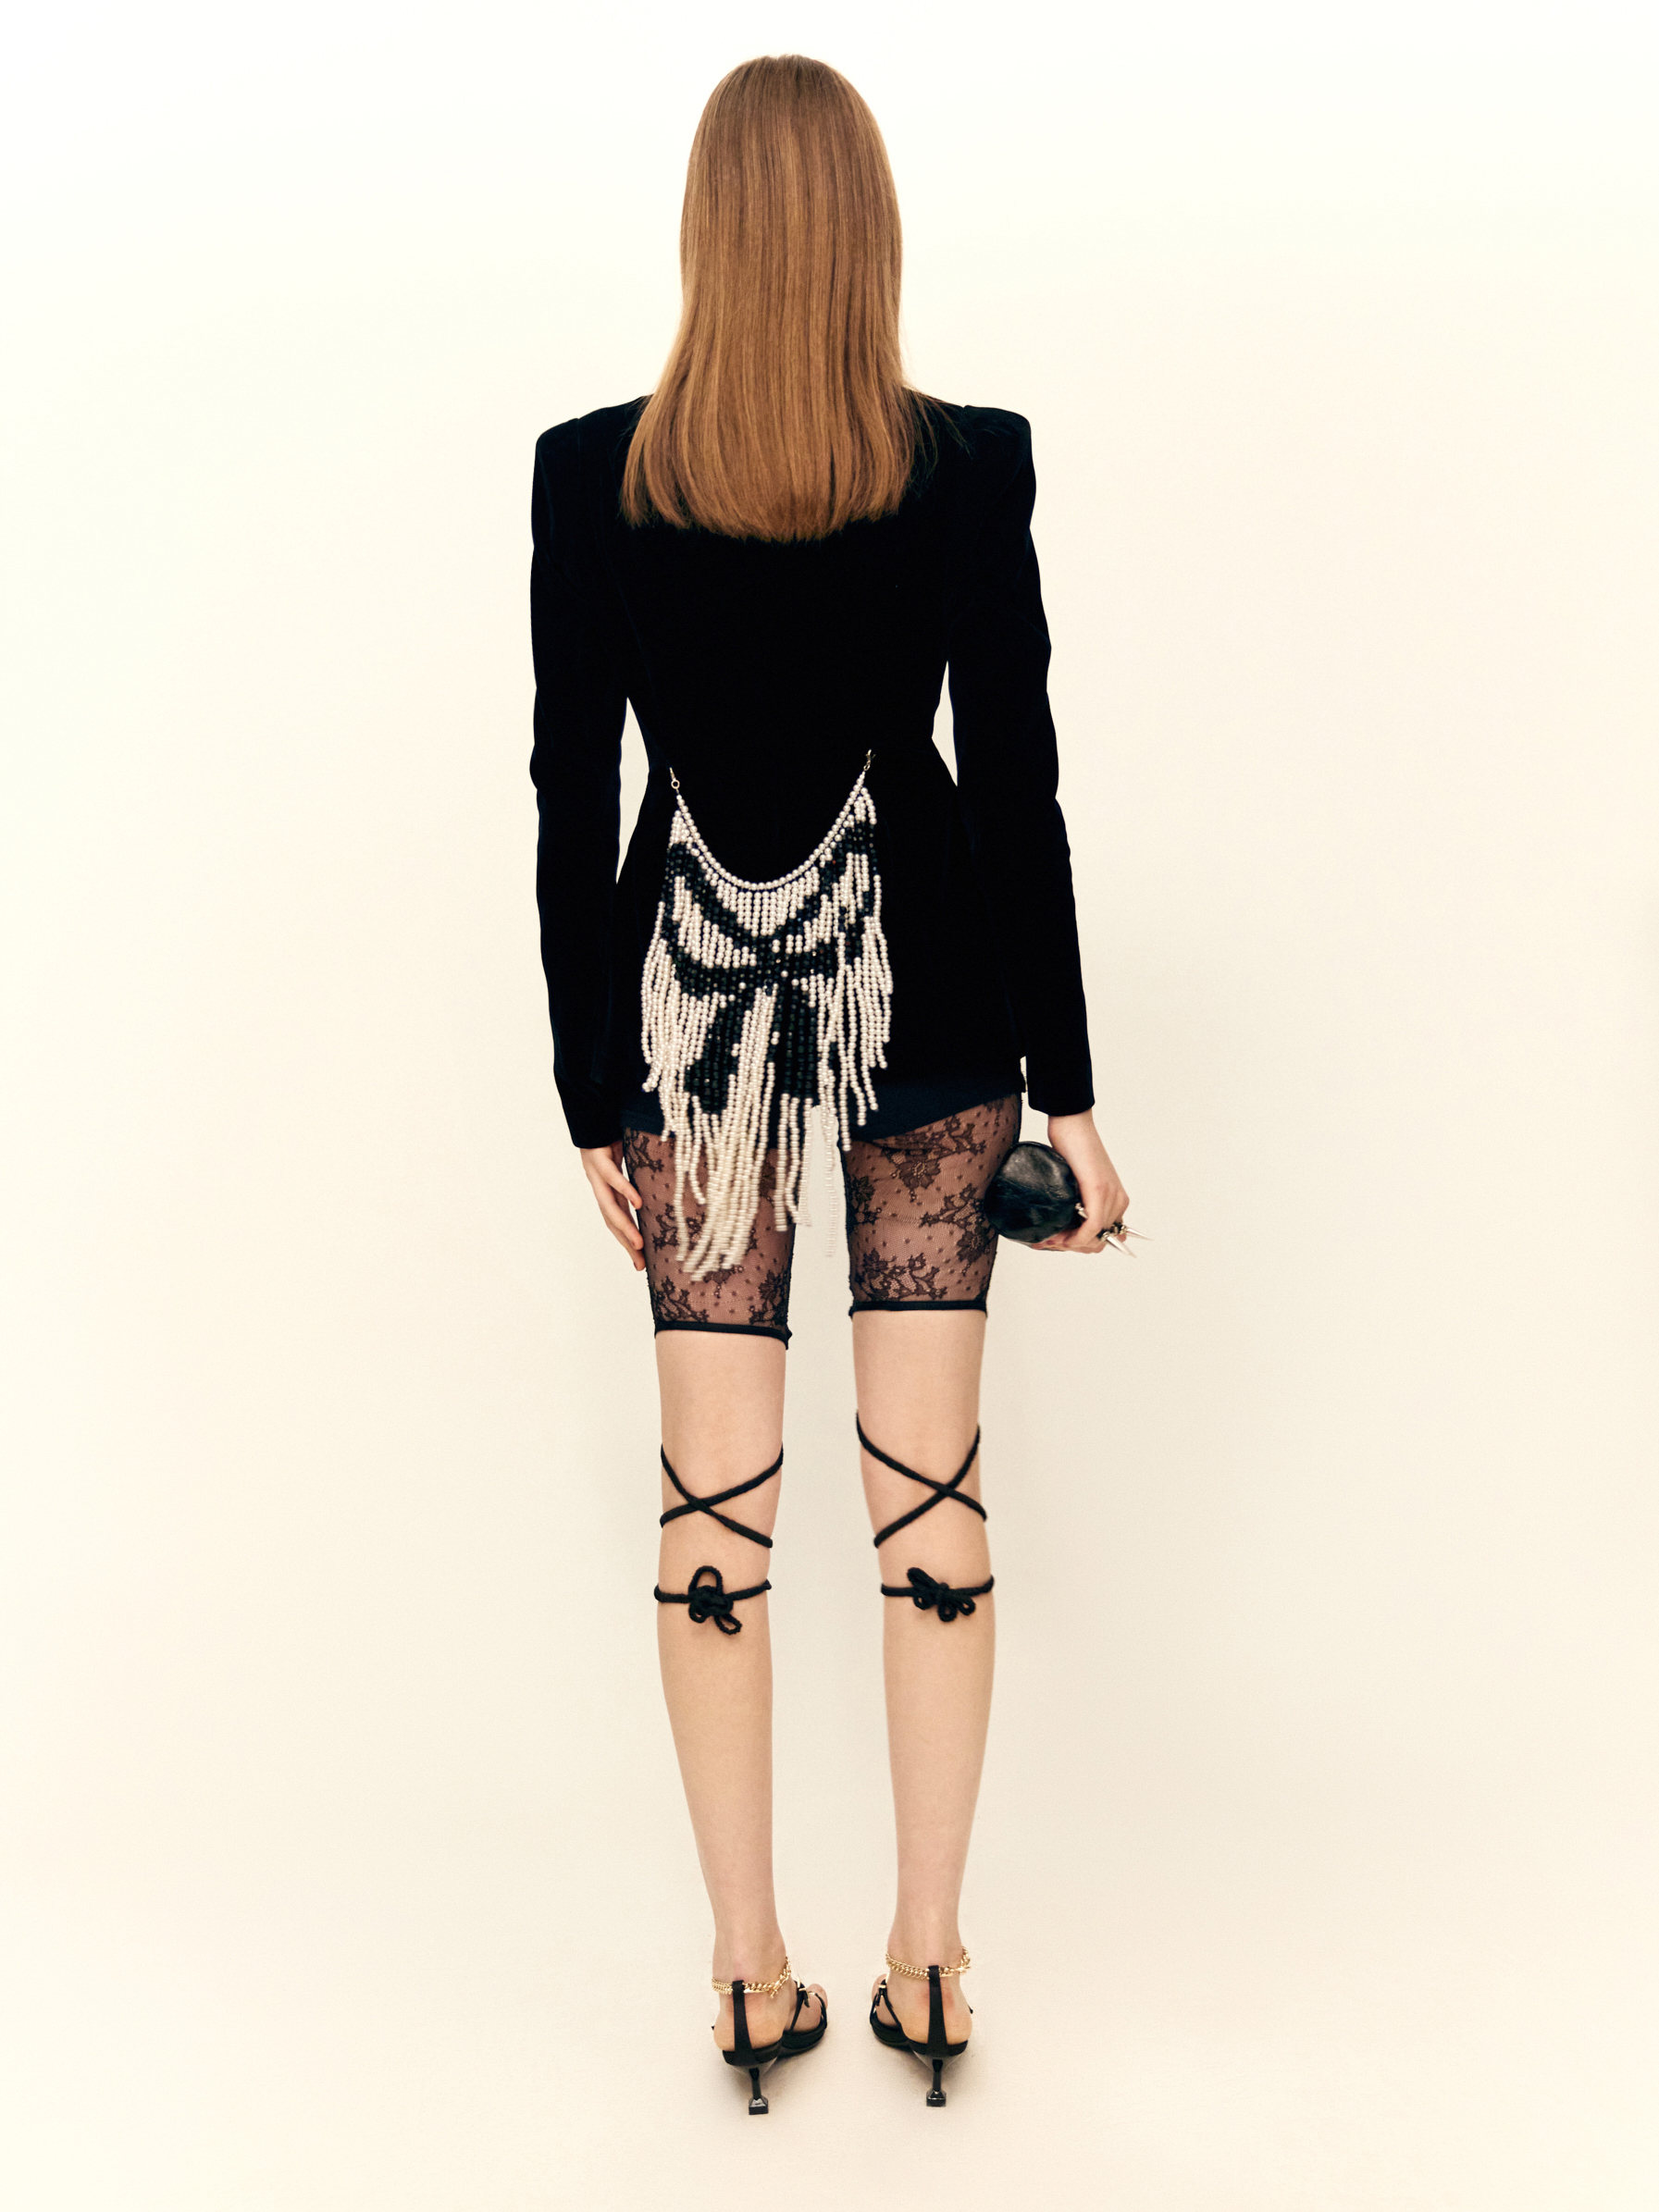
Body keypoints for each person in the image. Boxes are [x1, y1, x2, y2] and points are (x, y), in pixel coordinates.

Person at [528, 53, 1130, 2113]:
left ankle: (744, 1967)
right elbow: (1017, 783)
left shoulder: (593, 475)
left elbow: (571, 795)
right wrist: (1069, 1092)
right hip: (932, 1000)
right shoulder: (967, 466)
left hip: (685, 1019)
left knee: (714, 1506)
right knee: (927, 1499)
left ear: (707, 231)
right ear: (869, 231)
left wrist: (586, 1085)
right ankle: (930, 1957)